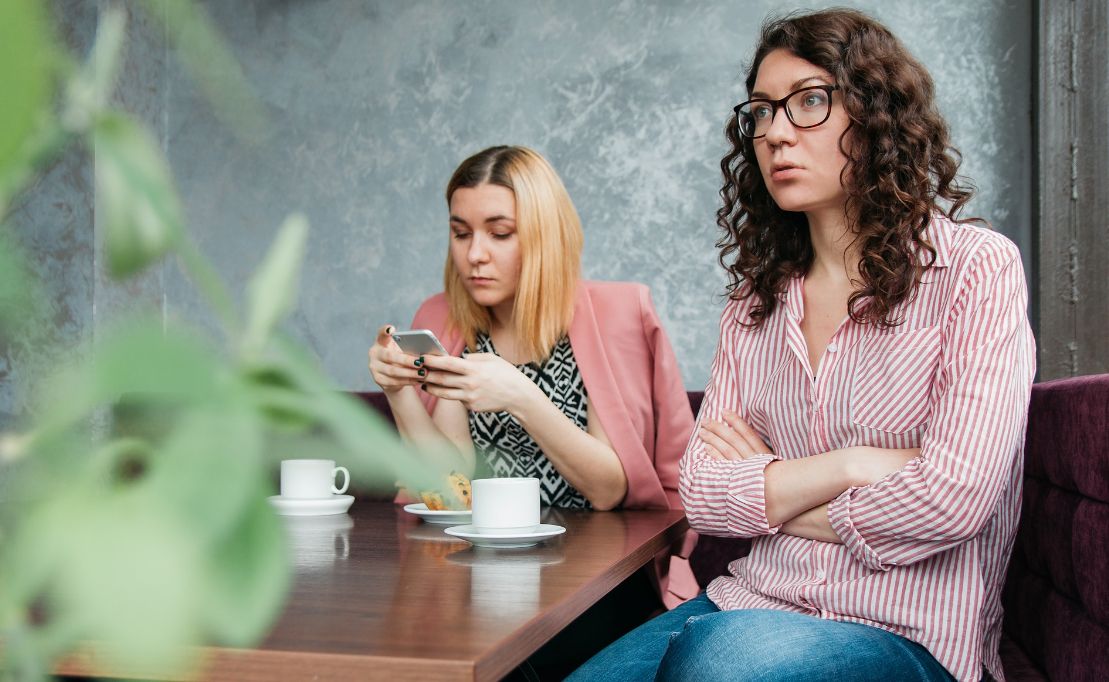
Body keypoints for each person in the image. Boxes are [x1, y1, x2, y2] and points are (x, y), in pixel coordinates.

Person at [569, 9, 1035, 682]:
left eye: (809, 101)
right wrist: (851, 466)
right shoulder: (755, 303)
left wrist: (775, 494)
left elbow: (952, 499)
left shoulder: (973, 269)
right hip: (744, 600)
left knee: (718, 667)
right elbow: (701, 494)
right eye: (761, 112)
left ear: (876, 117)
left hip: (903, 634)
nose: (776, 133)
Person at [367, 145, 698, 607]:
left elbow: (608, 490)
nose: (474, 255)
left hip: (596, 576)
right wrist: (398, 390)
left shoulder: (616, 314)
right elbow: (450, 481)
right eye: (461, 234)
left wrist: (521, 396)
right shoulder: (444, 317)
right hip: (474, 569)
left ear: (545, 236)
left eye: (500, 233)